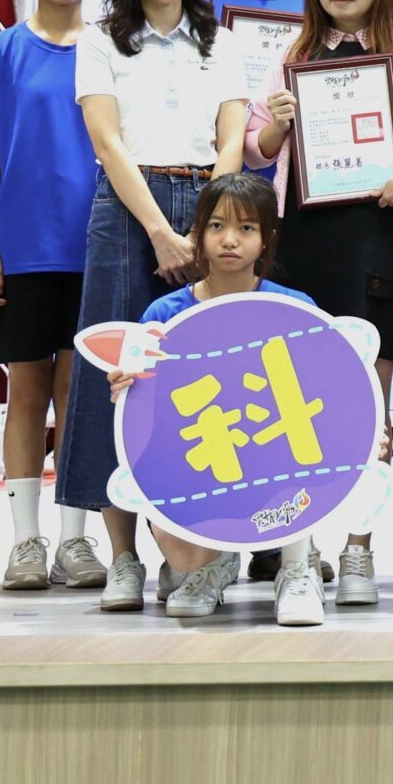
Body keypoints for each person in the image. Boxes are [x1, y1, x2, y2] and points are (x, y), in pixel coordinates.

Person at [246, 0, 393, 606]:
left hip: (379, 234)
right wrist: (277, 123)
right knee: (295, 398)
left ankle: (358, 547)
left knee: (369, 397)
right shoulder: (292, 54)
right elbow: (254, 147)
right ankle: (298, 548)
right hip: (303, 238)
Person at [65, 0, 249, 614]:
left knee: (207, 378)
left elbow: (231, 137)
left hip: (208, 204)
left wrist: (207, 225)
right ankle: (122, 556)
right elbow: (107, 141)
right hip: (126, 209)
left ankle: (199, 548)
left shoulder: (220, 40)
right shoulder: (99, 40)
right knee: (117, 376)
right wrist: (160, 232)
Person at [105, 172, 322, 624]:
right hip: (203, 453)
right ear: (198, 233)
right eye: (217, 226)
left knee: (300, 438)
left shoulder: (295, 308)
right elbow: (145, 418)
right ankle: (213, 565)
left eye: (246, 228)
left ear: (267, 238)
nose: (230, 240)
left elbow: (327, 394)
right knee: (184, 554)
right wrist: (125, 391)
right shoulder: (164, 314)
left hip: (274, 452)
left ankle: (297, 567)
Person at [0, 0, 107, 592]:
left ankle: (74, 539)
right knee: (26, 391)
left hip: (98, 243)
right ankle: (25, 539)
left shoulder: (110, 48)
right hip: (23, 247)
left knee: (78, 394)